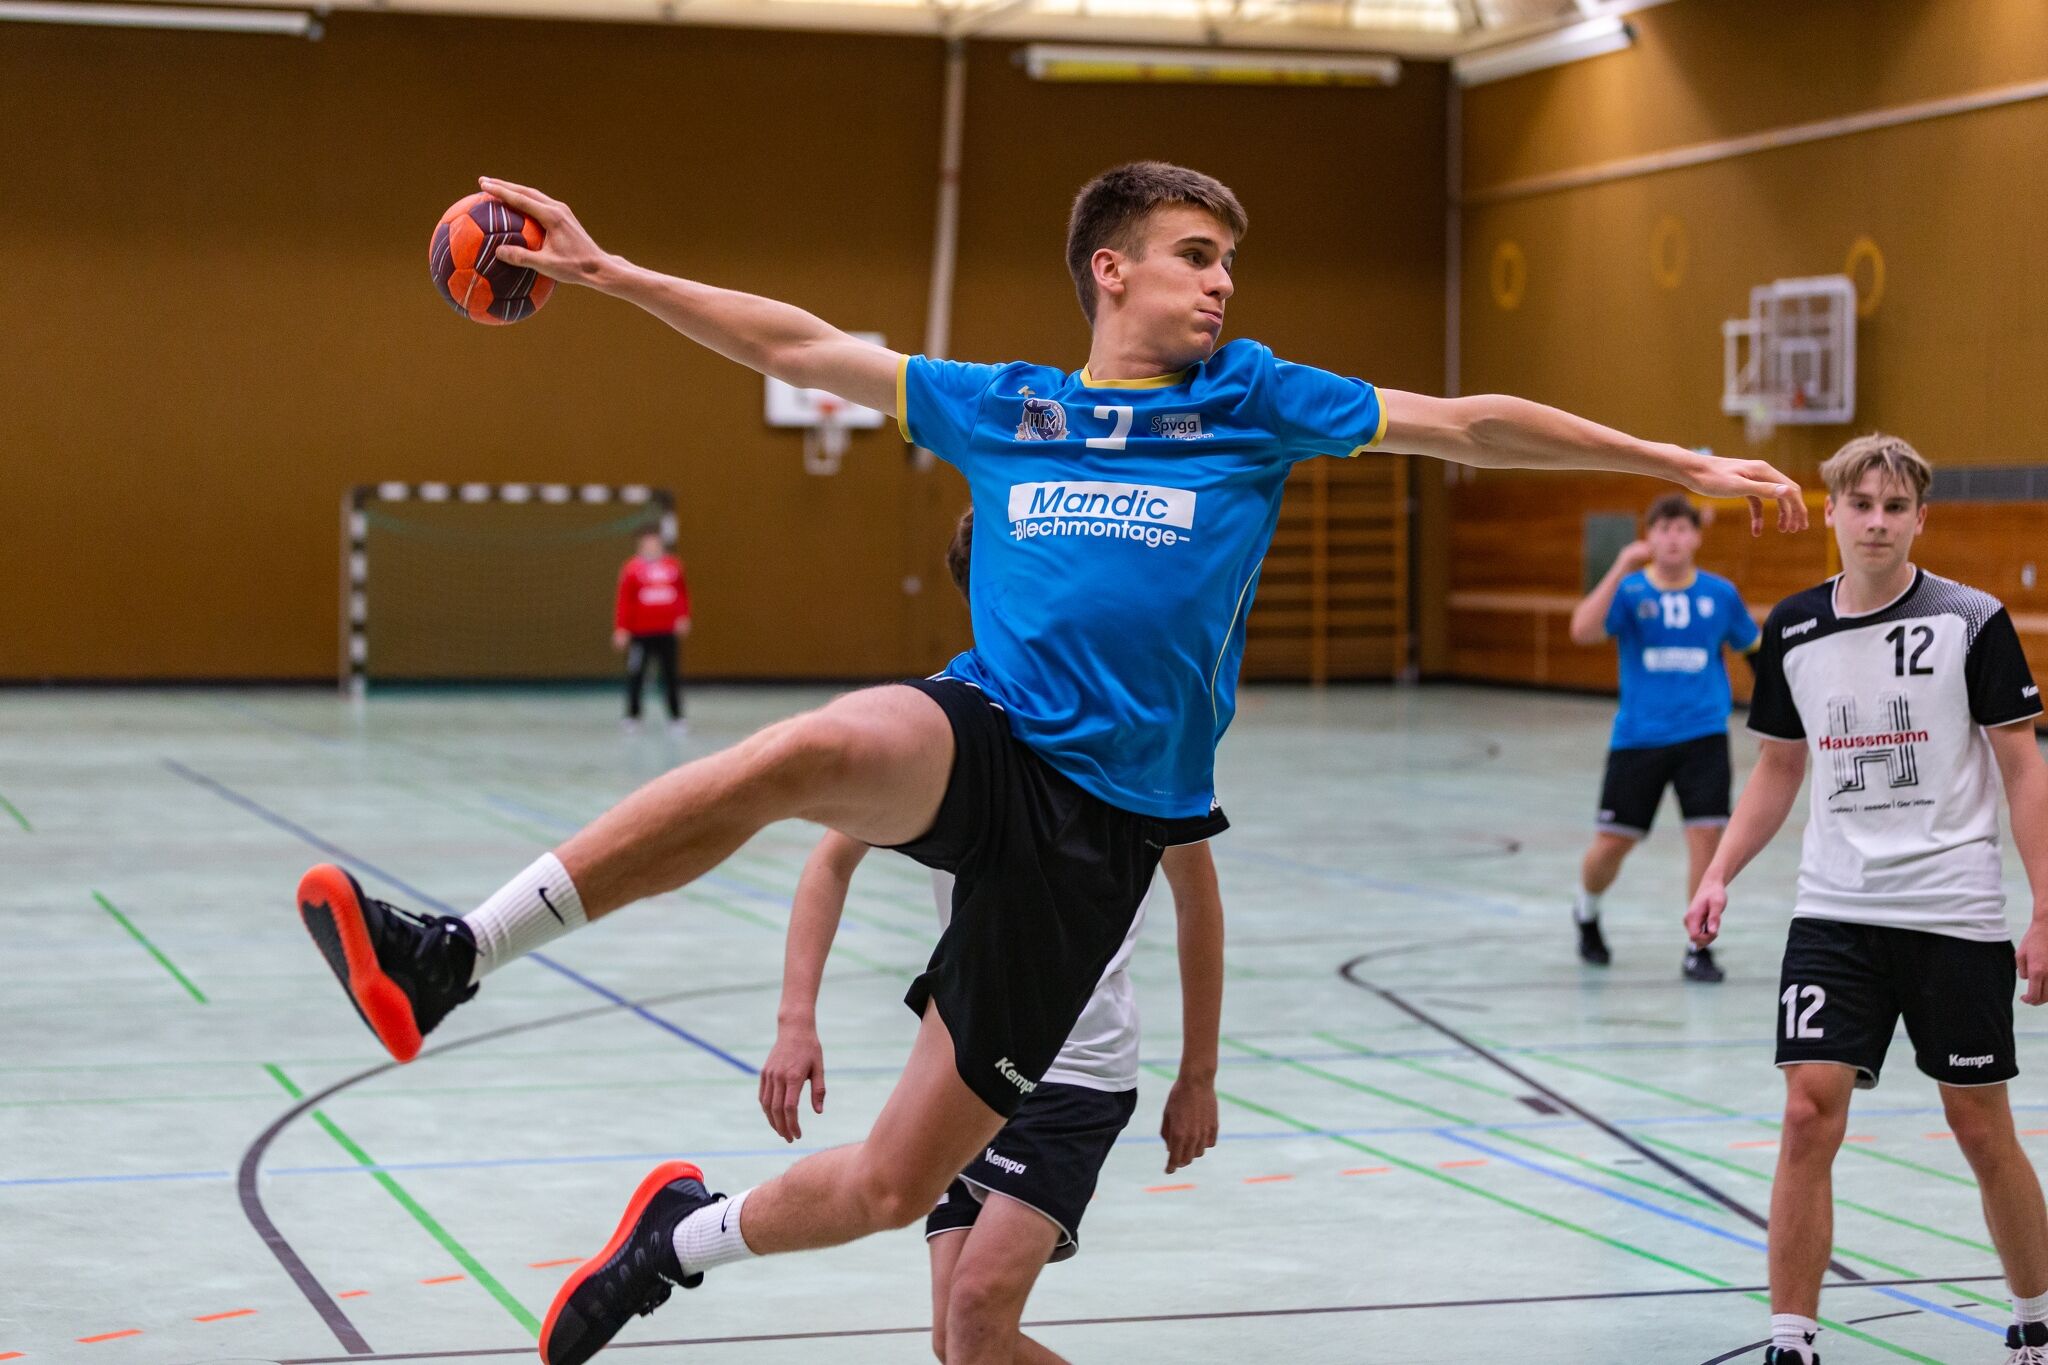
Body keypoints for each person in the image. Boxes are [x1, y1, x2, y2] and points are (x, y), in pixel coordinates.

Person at [290, 161, 1806, 1365]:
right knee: (802, 751)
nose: (1222, 283)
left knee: (888, 1187)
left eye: (1229, 263)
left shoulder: (1250, 399)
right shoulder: (1012, 405)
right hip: (991, 739)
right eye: (1196, 256)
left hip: (1103, 840)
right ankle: (455, 952)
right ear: (1111, 268)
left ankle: (675, 1239)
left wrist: (1670, 460)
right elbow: (795, 343)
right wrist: (611, 273)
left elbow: (1465, 425)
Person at [756, 507, 1223, 1364]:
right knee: (962, 1343)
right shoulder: (949, 723)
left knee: (976, 1315)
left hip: (1076, 1068)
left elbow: (1197, 900)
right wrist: (795, 1019)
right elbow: (829, 863)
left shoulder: (1137, 722)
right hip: (966, 1057)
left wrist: (1198, 1074)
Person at [1684, 435, 2048, 1365]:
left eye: (1894, 507)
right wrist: (1719, 869)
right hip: (1835, 910)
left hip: (1952, 911)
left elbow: (2023, 769)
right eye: (1861, 504)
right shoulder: (1794, 628)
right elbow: (1778, 765)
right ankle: (1792, 1338)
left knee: (1980, 1127)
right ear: (1834, 513)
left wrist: (2044, 909)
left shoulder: (1972, 619)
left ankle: (2036, 1317)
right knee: (1807, 1112)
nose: (1877, 521)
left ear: (1920, 518)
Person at [1567, 493, 1760, 982]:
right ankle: (1587, 910)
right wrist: (1619, 567)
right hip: (1639, 738)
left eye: (1681, 528)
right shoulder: (1631, 591)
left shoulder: (1719, 594)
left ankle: (1698, 946)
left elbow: (1754, 651)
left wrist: (1782, 707)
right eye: (1663, 528)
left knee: (1706, 838)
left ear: (1696, 537)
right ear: (1649, 537)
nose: (1672, 537)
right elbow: (1582, 631)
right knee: (1612, 844)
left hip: (1703, 735)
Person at [613, 527, 691, 735]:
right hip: (641, 633)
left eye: (655, 542)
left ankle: (676, 716)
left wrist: (683, 616)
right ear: (640, 545)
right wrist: (621, 628)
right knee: (636, 674)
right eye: (648, 543)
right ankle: (633, 716)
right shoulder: (631, 569)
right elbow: (624, 600)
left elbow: (681, 593)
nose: (652, 546)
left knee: (670, 674)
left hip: (666, 631)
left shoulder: (673, 566)